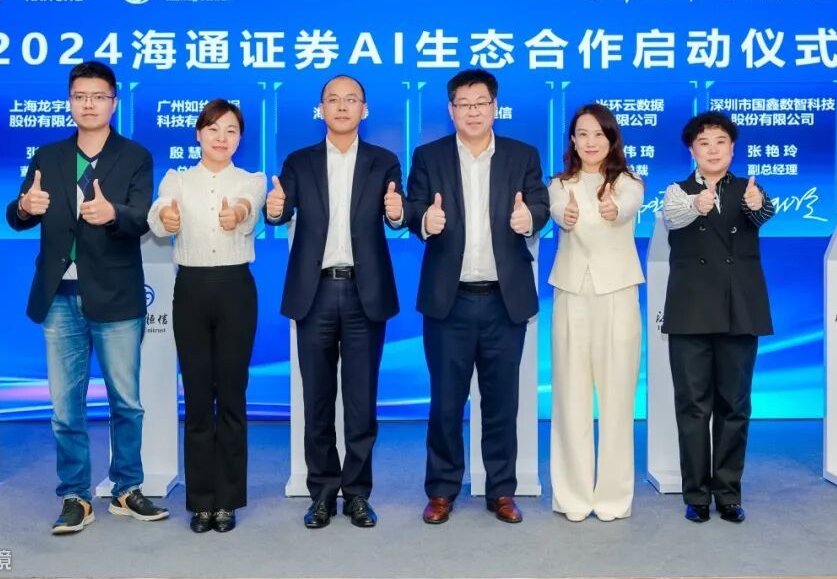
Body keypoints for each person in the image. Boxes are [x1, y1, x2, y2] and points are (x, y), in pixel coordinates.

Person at [6, 60, 167, 534]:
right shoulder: (49, 155)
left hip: (116, 294)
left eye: (98, 97)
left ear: (114, 102)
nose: (89, 104)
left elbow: (142, 218)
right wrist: (24, 207)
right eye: (80, 97)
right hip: (59, 295)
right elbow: (19, 214)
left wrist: (112, 212)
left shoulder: (135, 156)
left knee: (126, 402)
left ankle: (126, 487)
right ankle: (75, 495)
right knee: (65, 407)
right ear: (70, 102)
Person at [407, 68, 549, 525]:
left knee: (501, 401)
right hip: (449, 300)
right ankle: (442, 490)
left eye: (481, 103)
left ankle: (501, 490)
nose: (473, 111)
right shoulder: (428, 156)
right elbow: (412, 208)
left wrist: (531, 220)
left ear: (495, 108)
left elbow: (540, 204)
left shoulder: (521, 155)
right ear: (451, 110)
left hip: (504, 300)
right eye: (464, 104)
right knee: (446, 402)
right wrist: (424, 221)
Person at [265, 75, 407, 529]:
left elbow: (398, 213)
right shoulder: (300, 161)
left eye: (351, 100)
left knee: (362, 404)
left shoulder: (383, 161)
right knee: (318, 401)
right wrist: (274, 209)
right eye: (333, 100)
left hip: (366, 293)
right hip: (316, 292)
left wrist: (397, 213)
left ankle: (358, 494)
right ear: (321, 109)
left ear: (364, 109)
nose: (342, 107)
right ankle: (323, 494)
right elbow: (281, 211)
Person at [147, 99, 265, 533]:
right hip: (191, 289)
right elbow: (158, 213)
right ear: (198, 134)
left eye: (231, 130)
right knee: (198, 398)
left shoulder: (251, 179)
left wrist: (239, 213)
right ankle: (200, 501)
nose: (221, 138)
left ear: (239, 138)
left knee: (232, 396)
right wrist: (166, 217)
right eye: (213, 129)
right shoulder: (177, 179)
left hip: (235, 289)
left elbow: (249, 208)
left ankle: (227, 501)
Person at [661, 111, 776, 524]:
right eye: (704, 143)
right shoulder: (677, 192)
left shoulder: (749, 189)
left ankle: (728, 493)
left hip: (739, 309)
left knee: (735, 405)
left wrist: (757, 204)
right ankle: (696, 495)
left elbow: (764, 213)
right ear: (692, 151)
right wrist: (698, 204)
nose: (713, 150)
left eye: (720, 142)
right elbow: (672, 218)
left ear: (732, 148)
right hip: (690, 310)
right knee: (693, 406)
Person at [547, 104, 645, 523]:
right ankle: (572, 495)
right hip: (572, 294)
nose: (590, 142)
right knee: (570, 397)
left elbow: (626, 207)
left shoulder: (629, 183)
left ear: (611, 140)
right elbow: (558, 210)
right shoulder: (559, 184)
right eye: (582, 134)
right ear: (572, 140)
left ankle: (613, 497)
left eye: (598, 135)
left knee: (618, 398)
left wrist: (613, 210)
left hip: (617, 295)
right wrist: (564, 215)